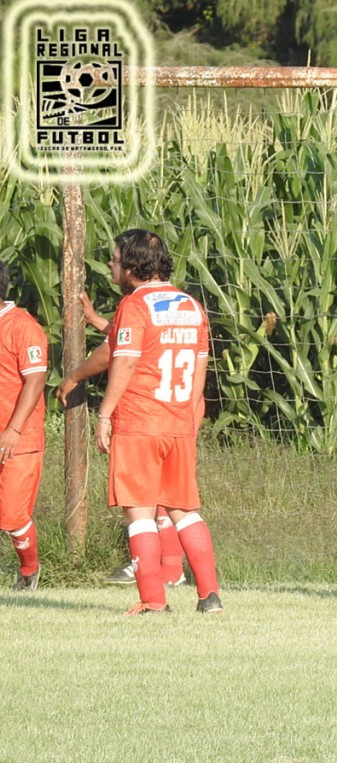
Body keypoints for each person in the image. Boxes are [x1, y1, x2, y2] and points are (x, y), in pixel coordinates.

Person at [94, 229, 222, 615]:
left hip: (139, 421)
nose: (111, 265)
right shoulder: (192, 306)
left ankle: (153, 601)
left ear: (133, 266)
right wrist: (188, 418)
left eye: (116, 259)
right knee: (184, 510)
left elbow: (125, 361)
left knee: (139, 512)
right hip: (178, 421)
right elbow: (199, 372)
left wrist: (104, 413)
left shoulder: (134, 305)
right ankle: (210, 596)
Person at [57, 292, 187, 588]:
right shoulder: (178, 304)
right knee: (166, 494)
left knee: (144, 495)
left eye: (116, 266)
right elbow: (128, 336)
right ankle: (173, 570)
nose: (113, 269)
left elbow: (114, 351)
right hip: (178, 405)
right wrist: (96, 320)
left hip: (149, 411)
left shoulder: (137, 302)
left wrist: (75, 377)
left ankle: (156, 568)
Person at [0, 263, 47, 592]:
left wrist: (13, 430)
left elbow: (35, 381)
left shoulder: (22, 326)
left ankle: (29, 569)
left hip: (19, 438)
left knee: (12, 516)